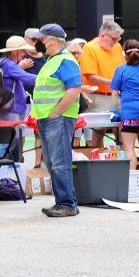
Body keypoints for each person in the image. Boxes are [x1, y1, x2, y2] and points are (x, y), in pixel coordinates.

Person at [33, 23, 90, 216]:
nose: (39, 42)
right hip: (49, 118)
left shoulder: (64, 60)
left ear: (53, 40)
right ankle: (63, 202)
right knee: (53, 162)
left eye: (42, 38)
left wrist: (57, 112)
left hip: (58, 118)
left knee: (59, 162)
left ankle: (67, 204)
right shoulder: (54, 60)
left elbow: (74, 88)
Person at [79, 19, 126, 143]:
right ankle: (98, 161)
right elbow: (90, 76)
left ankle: (125, 160)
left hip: (116, 95)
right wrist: (114, 83)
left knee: (124, 131)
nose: (116, 42)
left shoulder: (116, 46)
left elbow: (122, 68)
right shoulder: (89, 48)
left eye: (118, 39)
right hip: (99, 96)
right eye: (114, 39)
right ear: (103, 35)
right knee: (99, 132)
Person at [110, 39, 139, 197]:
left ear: (124, 55)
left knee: (129, 148)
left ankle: (132, 184)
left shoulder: (121, 70)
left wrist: (117, 109)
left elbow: (114, 96)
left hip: (129, 115)